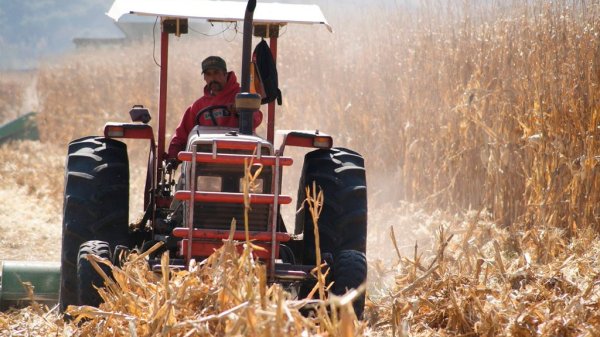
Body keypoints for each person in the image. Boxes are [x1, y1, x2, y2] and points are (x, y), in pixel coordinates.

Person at [165, 56, 263, 170]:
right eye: (208, 74)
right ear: (204, 78)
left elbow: (257, 118)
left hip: (240, 160)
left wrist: (242, 111)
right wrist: (173, 156)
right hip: (206, 166)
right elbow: (181, 136)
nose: (213, 78)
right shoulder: (198, 106)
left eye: (216, 73)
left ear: (225, 74)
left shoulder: (242, 97)